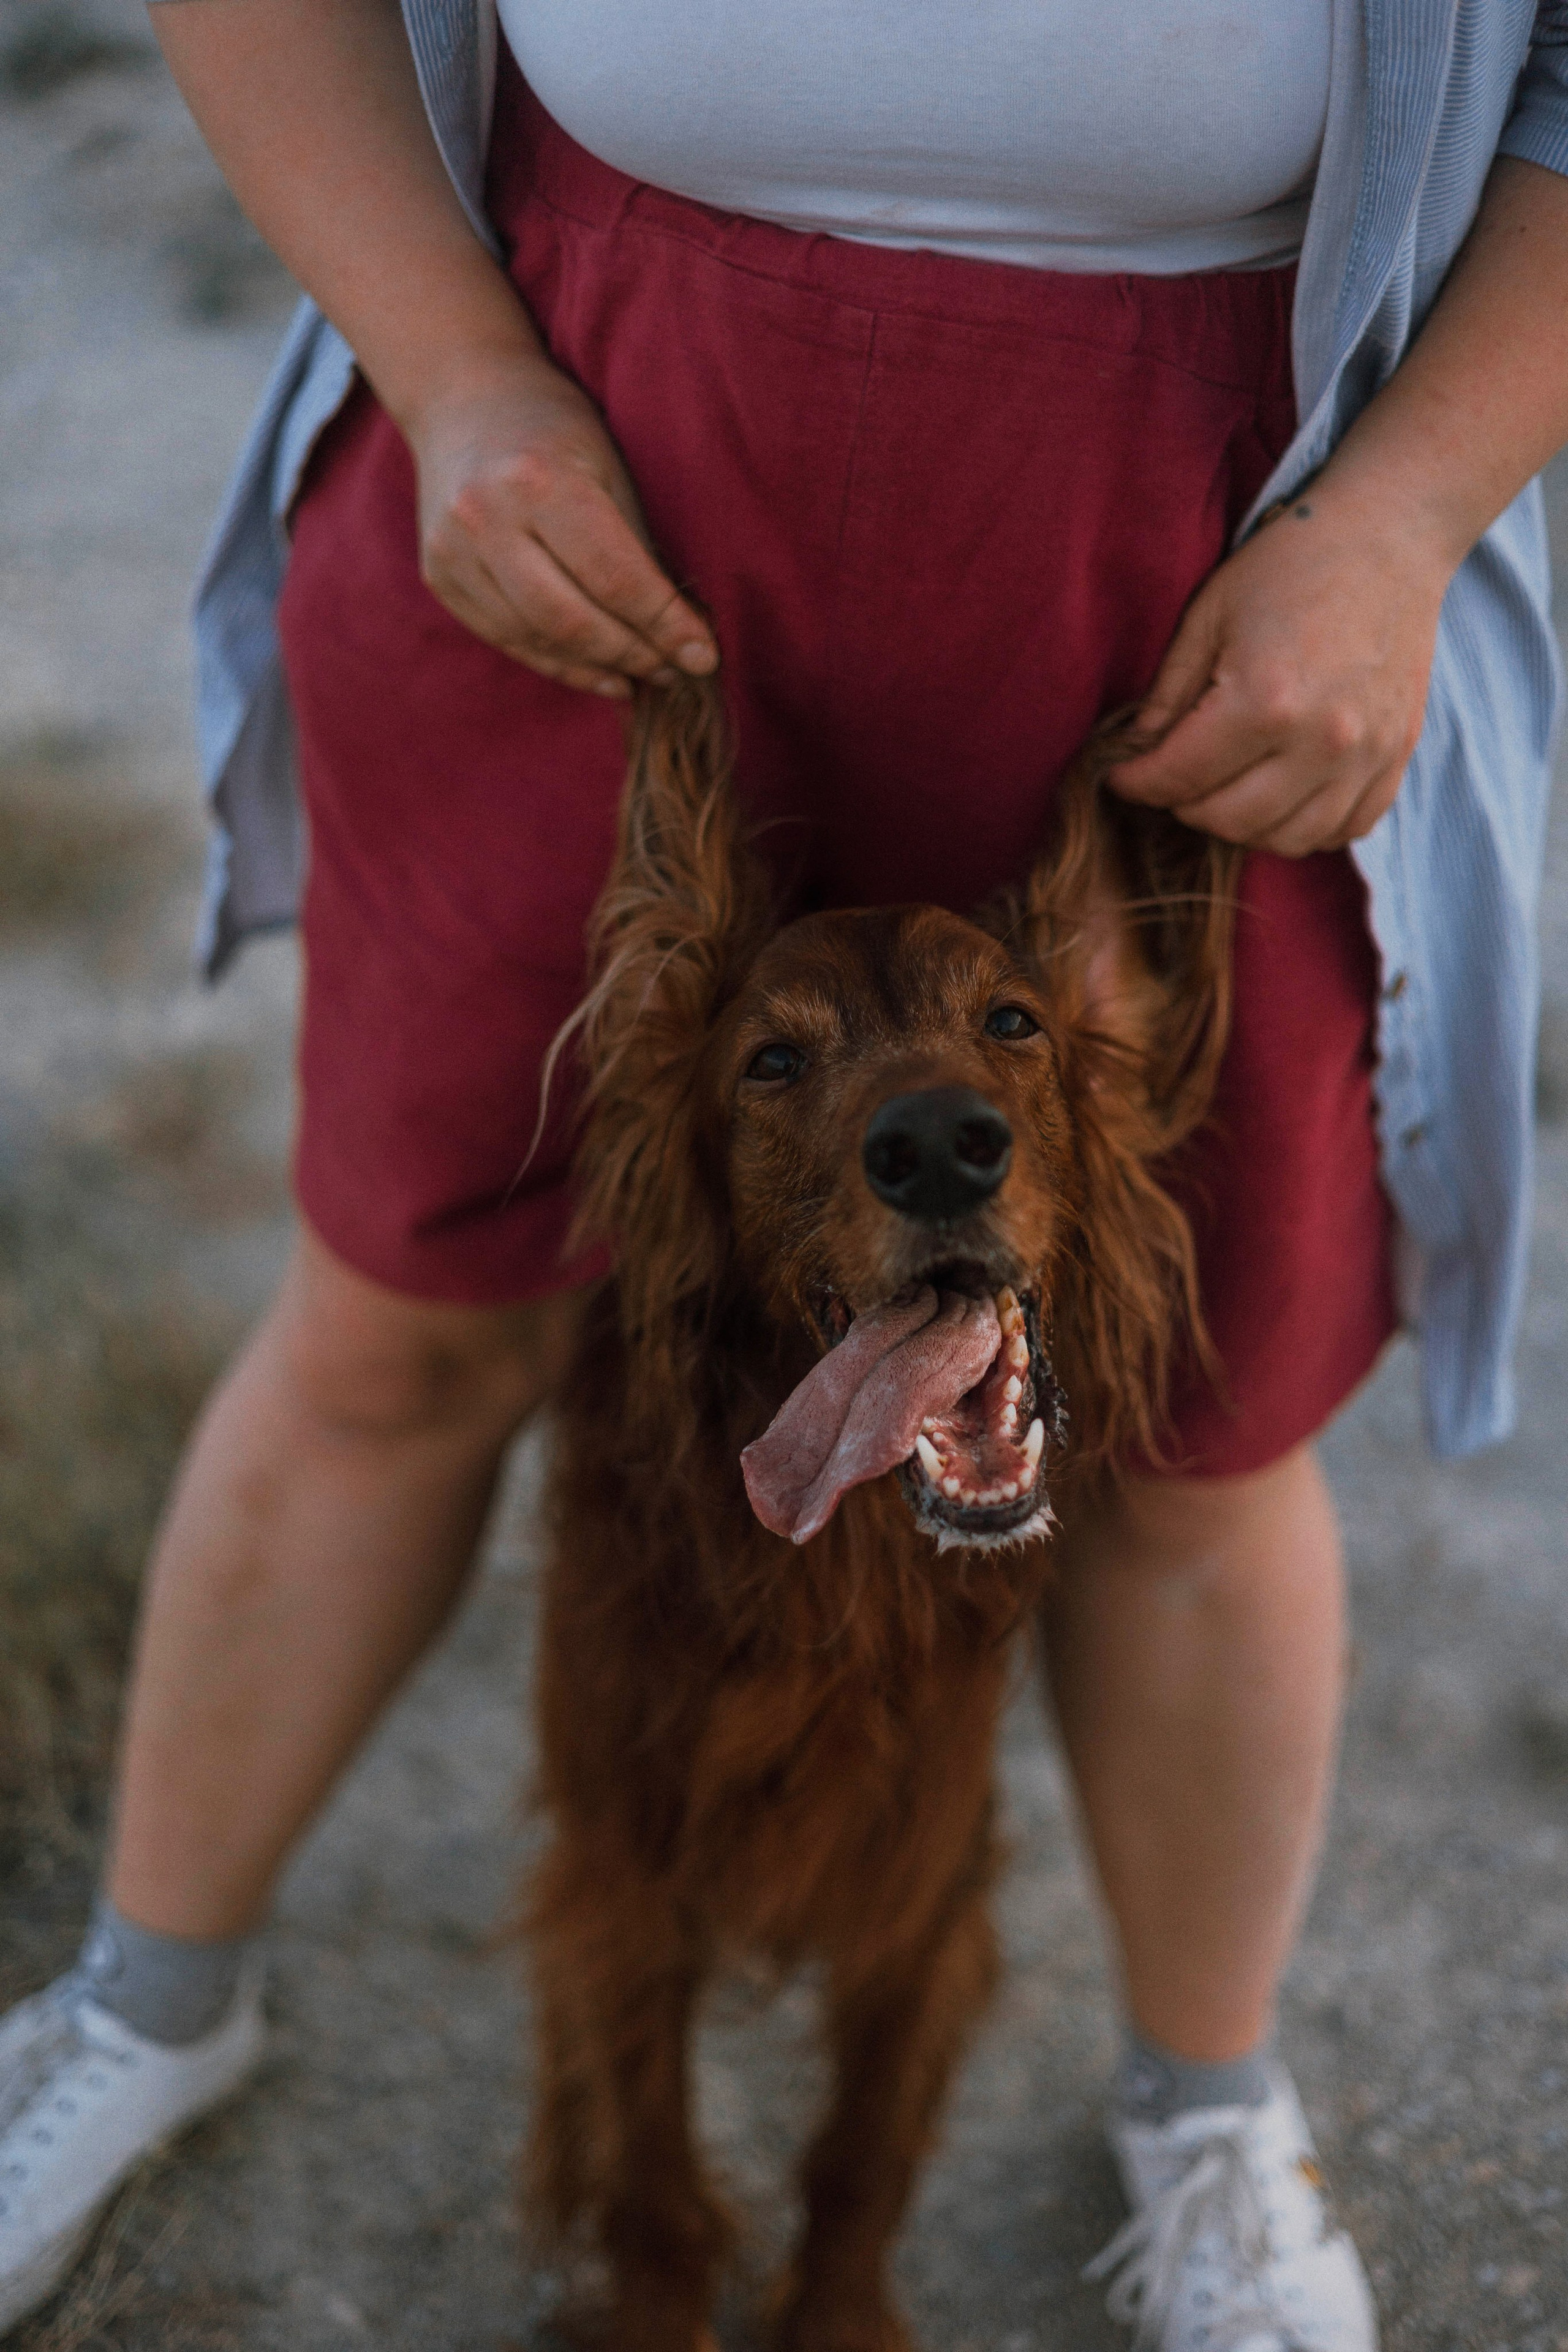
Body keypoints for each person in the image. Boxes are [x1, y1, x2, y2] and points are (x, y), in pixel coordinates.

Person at [3, 3, 1567, 2345]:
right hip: (588, 448)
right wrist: (449, 368)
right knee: (398, 1330)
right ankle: (144, 2001)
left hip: (1214, 527)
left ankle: (1211, 2115)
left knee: (1195, 1430)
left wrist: (1414, 510)